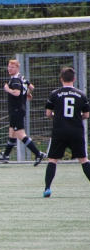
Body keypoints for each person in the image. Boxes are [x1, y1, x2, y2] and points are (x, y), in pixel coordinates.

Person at [43, 67, 90, 197]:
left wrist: (58, 116)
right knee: (84, 160)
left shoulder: (54, 94)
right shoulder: (81, 95)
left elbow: (48, 113)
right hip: (76, 131)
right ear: (74, 79)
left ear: (61, 79)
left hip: (59, 131)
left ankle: (47, 188)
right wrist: (75, 116)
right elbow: (86, 115)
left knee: (53, 160)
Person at [0, 59, 46, 166]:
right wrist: (28, 93)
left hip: (17, 110)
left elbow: (17, 93)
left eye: (12, 67)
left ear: (17, 68)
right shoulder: (22, 78)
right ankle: (6, 155)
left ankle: (38, 153)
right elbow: (31, 87)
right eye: (8, 66)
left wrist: (7, 89)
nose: (9, 68)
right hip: (17, 110)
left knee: (20, 134)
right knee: (12, 132)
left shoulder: (14, 81)